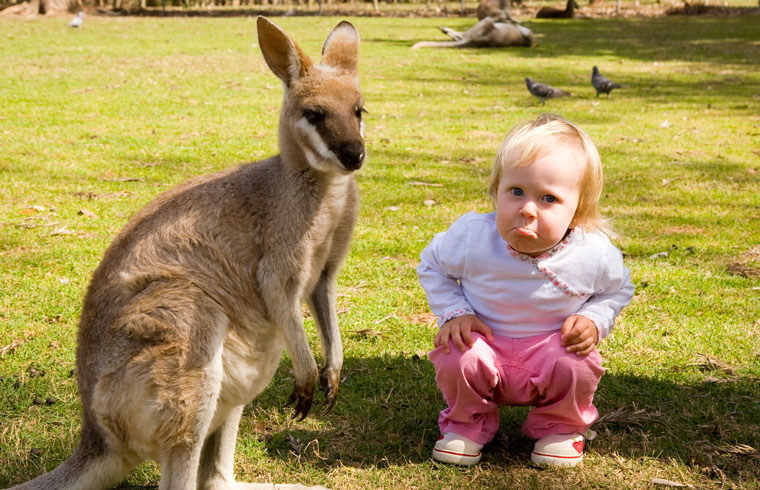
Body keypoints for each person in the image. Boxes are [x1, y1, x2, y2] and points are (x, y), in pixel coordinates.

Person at [417, 113, 634, 467]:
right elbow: (432, 266)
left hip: (551, 350)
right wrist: (456, 312)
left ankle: (560, 427)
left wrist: (594, 318)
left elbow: (618, 288)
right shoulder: (473, 237)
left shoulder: (592, 253)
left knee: (576, 363)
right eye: (516, 192)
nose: (528, 209)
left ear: (578, 209)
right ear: (496, 190)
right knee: (458, 354)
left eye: (548, 198)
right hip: (484, 346)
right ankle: (466, 424)